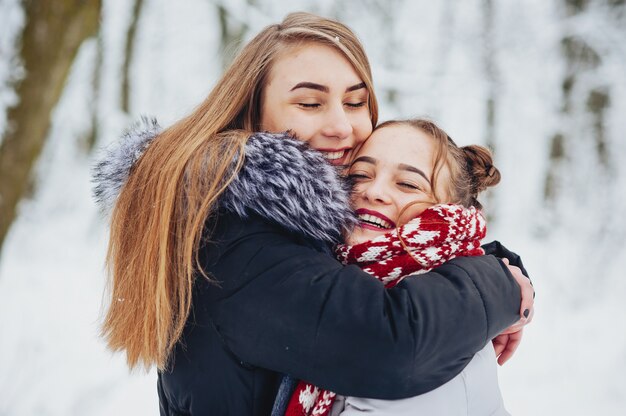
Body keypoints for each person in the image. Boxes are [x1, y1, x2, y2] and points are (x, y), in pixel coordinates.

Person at [92, 12, 534, 416]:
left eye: (356, 102)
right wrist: (497, 283)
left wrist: (495, 263)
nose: (341, 126)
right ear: (252, 113)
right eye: (310, 104)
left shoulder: (308, 222)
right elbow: (391, 343)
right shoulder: (234, 238)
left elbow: (382, 265)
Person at [285, 119, 517, 416]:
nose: (374, 192)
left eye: (407, 184)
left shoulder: (423, 336)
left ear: (451, 211)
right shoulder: (346, 283)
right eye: (359, 175)